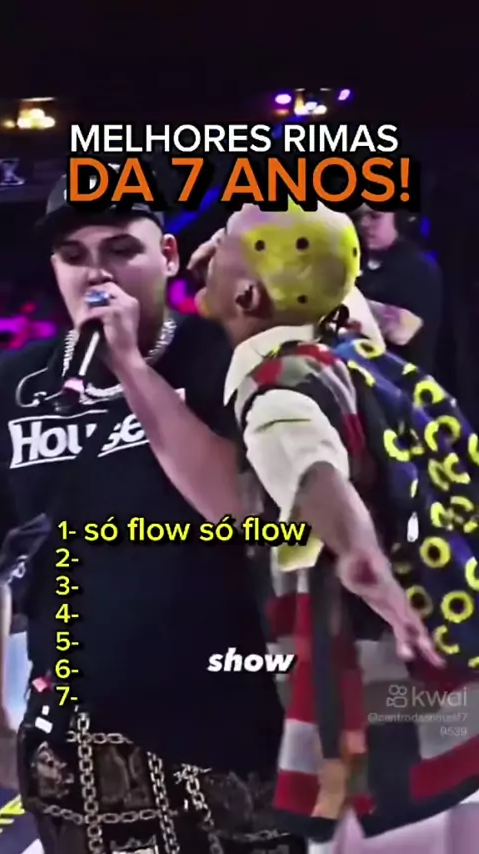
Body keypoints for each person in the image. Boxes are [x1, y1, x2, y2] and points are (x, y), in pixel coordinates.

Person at [0, 176, 307, 853]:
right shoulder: (16, 387)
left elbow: (241, 510)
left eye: (120, 249)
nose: (97, 274)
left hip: (230, 732)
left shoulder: (228, 359)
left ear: (168, 256)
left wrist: (133, 371)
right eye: (73, 256)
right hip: (79, 745)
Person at [190, 201, 479, 853]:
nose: (211, 243)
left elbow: (317, 476)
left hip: (381, 699)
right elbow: (325, 275)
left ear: (251, 294)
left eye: (225, 240)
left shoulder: (279, 394)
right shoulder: (349, 343)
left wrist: (362, 562)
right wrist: (236, 267)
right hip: (451, 684)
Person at [353, 207, 443, 372]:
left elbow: (404, 331)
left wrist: (351, 303)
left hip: (402, 379)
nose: (364, 223)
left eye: (374, 216)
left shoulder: (418, 266)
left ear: (399, 218)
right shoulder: (357, 260)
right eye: (359, 216)